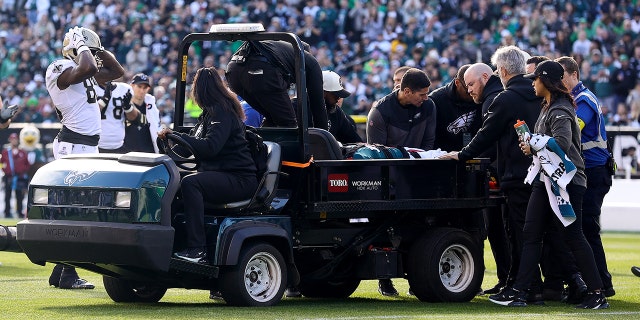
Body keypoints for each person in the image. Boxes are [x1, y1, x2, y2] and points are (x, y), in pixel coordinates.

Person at [489, 60, 609, 309]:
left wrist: (533, 141)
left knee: (573, 236)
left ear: (546, 81)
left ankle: (597, 293)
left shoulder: (560, 110)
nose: (532, 82)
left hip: (566, 183)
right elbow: (549, 145)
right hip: (547, 180)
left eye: (535, 79)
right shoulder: (549, 107)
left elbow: (562, 143)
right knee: (531, 234)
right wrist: (531, 145)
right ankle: (521, 292)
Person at [441, 46, 542, 300]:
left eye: (498, 70)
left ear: (503, 71)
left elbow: (486, 136)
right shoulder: (539, 94)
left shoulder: (505, 99)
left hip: (516, 176)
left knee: (517, 234)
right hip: (541, 174)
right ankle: (545, 285)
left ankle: (522, 287)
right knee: (538, 234)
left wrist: (462, 155)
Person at [45, 26, 124, 289]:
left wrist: (96, 48)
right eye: (84, 50)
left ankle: (61, 271)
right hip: (74, 145)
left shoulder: (82, 68)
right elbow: (88, 68)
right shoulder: (60, 67)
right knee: (80, 209)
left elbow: (116, 72)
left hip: (85, 146)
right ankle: (68, 274)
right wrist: (81, 47)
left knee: (78, 208)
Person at [158, 66, 258, 263]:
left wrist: (175, 135)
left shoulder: (223, 112)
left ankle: (198, 249)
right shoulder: (208, 115)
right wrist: (168, 140)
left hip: (239, 178)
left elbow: (211, 147)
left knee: (191, 183)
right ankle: (171, 242)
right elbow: (189, 147)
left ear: (200, 90)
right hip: (222, 175)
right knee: (173, 182)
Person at [556, 56, 615, 297]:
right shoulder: (576, 100)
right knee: (584, 228)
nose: (560, 82)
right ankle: (597, 281)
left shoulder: (584, 100)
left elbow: (573, 129)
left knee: (587, 228)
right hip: (589, 171)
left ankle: (602, 283)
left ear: (574, 75)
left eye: (562, 77)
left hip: (593, 171)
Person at [226, 40, 328, 130]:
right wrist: (324, 140)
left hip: (233, 71)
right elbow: (318, 105)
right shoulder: (310, 62)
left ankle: (260, 148)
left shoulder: (279, 51)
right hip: (259, 69)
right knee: (289, 124)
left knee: (272, 117)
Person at [366, 68, 436, 150]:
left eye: (427, 93)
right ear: (407, 92)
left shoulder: (428, 105)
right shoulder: (380, 111)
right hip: (391, 162)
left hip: (421, 161)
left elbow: (429, 143)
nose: (426, 98)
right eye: (422, 95)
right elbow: (377, 153)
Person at [430, 64, 482, 152]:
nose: (472, 93)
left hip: (476, 154)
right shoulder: (436, 100)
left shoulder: (481, 97)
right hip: (443, 157)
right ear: (457, 83)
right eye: (467, 91)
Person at [96, 80, 140, 153]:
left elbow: (136, 119)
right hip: (96, 146)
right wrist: (104, 100)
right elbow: (87, 115)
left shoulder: (124, 88)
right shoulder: (90, 88)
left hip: (120, 145)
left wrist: (128, 107)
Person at [123, 73, 161, 153]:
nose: (142, 90)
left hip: (149, 153)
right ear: (132, 86)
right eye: (139, 87)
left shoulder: (152, 107)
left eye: (145, 88)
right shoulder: (124, 105)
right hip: (128, 154)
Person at [322, 70, 362, 143]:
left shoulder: (336, 111)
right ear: (323, 92)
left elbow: (355, 141)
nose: (338, 98)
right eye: (335, 94)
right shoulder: (299, 108)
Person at [1, 133, 29, 218]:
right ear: (10, 140)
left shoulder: (22, 152)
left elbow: (27, 164)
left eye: (15, 139)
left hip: (19, 177)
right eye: (12, 139)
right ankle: (7, 212)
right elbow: (1, 163)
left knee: (19, 195)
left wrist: (22, 170)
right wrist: (5, 170)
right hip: (8, 177)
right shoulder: (5, 152)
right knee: (7, 195)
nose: (14, 141)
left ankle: (19, 212)